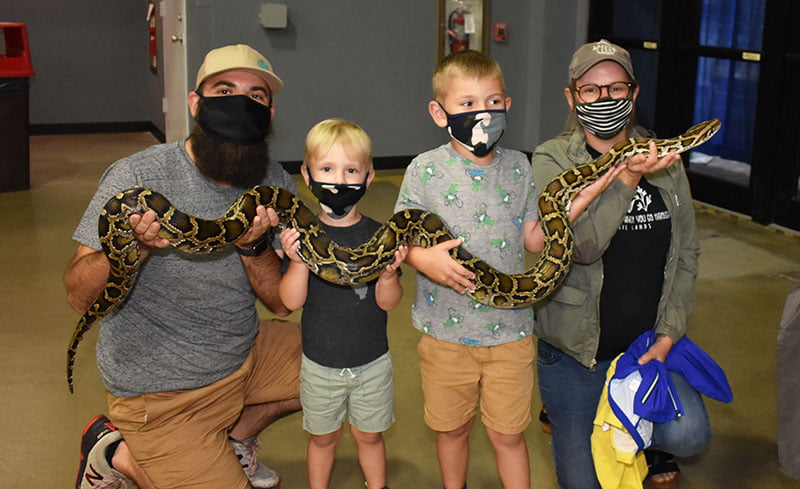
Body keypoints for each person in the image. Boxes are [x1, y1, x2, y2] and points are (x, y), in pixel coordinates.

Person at [64, 44, 302, 489]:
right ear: (196, 103)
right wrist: (132, 249)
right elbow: (78, 294)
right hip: (162, 392)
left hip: (241, 353)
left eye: (256, 96)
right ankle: (119, 454)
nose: (240, 103)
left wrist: (253, 248)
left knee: (349, 362)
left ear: (269, 114)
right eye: (224, 90)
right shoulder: (137, 176)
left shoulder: (272, 180)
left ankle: (235, 438)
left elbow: (280, 303)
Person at [393, 50, 622, 489]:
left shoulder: (520, 166)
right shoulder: (424, 170)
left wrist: (584, 196)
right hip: (445, 335)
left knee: (508, 434)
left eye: (493, 102)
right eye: (467, 103)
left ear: (507, 106)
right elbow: (402, 235)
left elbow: (535, 239)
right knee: (451, 429)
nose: (483, 112)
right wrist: (426, 260)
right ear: (439, 112)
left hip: (510, 336)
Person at [531, 39, 712, 489]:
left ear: (633, 93)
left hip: (643, 347)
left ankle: (639, 431)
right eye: (591, 90)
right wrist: (627, 177)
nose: (605, 98)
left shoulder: (665, 157)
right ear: (572, 97)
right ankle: (570, 411)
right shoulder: (553, 158)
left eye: (616, 87)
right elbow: (583, 246)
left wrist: (669, 335)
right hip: (577, 354)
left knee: (691, 434)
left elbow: (687, 252)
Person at [278, 118, 407, 489]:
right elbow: (290, 300)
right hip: (320, 365)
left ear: (368, 178)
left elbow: (390, 303)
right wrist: (299, 262)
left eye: (351, 170)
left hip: (372, 363)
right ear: (307, 174)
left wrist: (386, 276)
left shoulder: (380, 234)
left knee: (370, 437)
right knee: (322, 439)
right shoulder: (300, 236)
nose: (339, 180)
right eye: (327, 169)